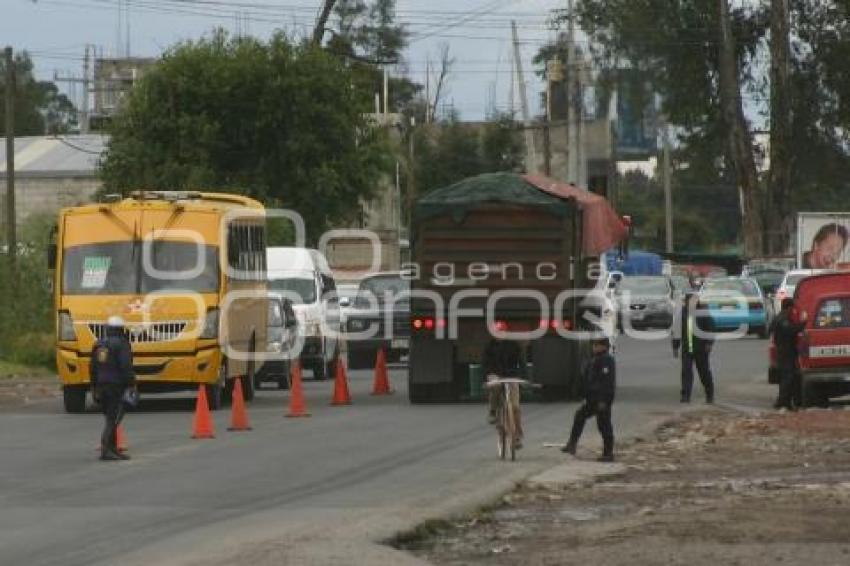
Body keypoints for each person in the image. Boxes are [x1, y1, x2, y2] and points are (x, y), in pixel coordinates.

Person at [562, 337, 616, 462]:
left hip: (601, 399)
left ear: (603, 347)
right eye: (594, 345)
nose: (594, 347)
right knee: (580, 416)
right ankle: (572, 444)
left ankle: (608, 453)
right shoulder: (595, 359)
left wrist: (603, 401)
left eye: (596, 345)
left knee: (604, 425)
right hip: (592, 399)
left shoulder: (607, 360)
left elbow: (607, 383)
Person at [91, 316, 136, 461]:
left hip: (101, 385)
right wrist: (131, 383)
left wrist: (94, 386)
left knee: (109, 417)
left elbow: (92, 367)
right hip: (116, 385)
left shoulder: (98, 344)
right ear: (121, 329)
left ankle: (113, 449)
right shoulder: (122, 344)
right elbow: (125, 366)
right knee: (114, 418)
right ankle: (106, 450)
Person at [672, 292, 715, 404]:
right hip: (687, 349)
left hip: (701, 348)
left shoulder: (703, 313)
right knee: (686, 372)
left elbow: (710, 328)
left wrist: (709, 343)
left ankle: (709, 394)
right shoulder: (682, 314)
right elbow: (677, 331)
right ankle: (685, 396)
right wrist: (675, 347)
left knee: (704, 372)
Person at [483, 338, 524, 448]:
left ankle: (517, 436)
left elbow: (521, 362)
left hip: (511, 376)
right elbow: (485, 364)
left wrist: (522, 377)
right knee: (495, 386)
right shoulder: (490, 347)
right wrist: (488, 375)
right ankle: (493, 410)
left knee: (515, 407)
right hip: (495, 374)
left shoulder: (513, 345)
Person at [770, 298, 808, 410]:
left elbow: (771, 329)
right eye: (792, 308)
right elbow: (791, 330)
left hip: (784, 351)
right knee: (788, 377)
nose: (793, 311)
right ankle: (782, 402)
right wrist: (803, 323)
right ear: (789, 308)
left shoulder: (779, 317)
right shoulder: (783, 319)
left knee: (789, 377)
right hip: (785, 352)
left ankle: (788, 401)